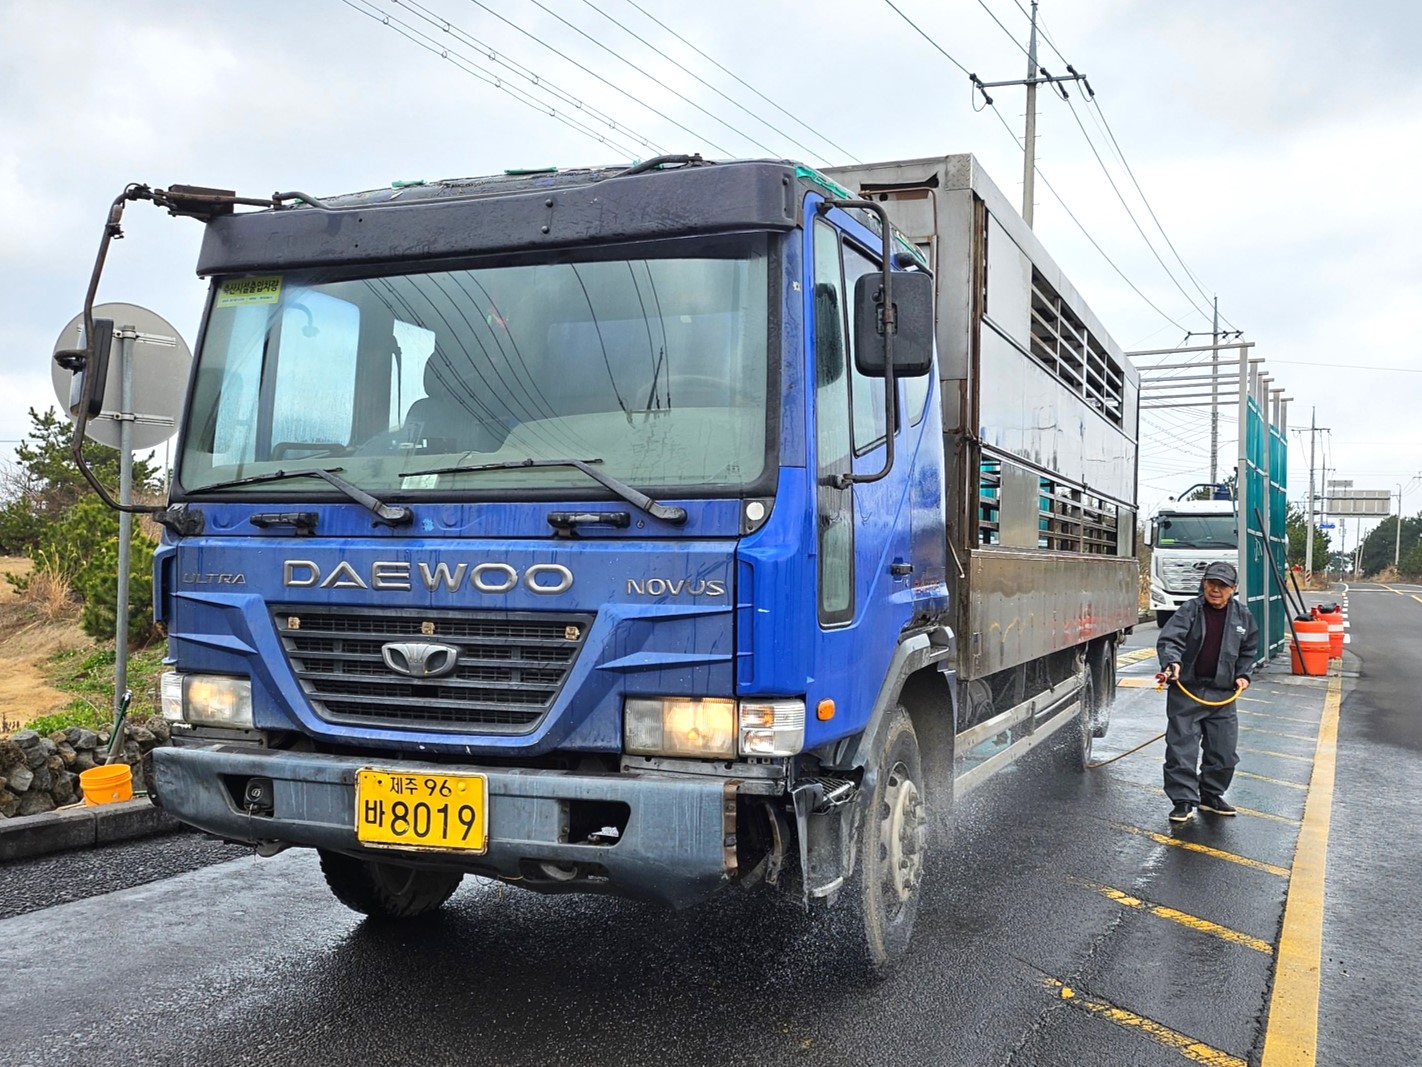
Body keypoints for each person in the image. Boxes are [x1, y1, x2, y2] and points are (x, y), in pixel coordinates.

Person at [1156, 560, 1259, 823]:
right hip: (1187, 690)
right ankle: (1182, 800)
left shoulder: (1242, 615)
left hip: (1223, 695)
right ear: (1204, 584)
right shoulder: (1189, 611)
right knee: (1181, 750)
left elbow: (1248, 650)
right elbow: (1171, 640)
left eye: (1223, 586)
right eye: (1212, 583)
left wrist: (1244, 675)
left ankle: (1211, 795)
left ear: (1233, 588)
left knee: (1224, 752)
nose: (1216, 590)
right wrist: (1172, 663)